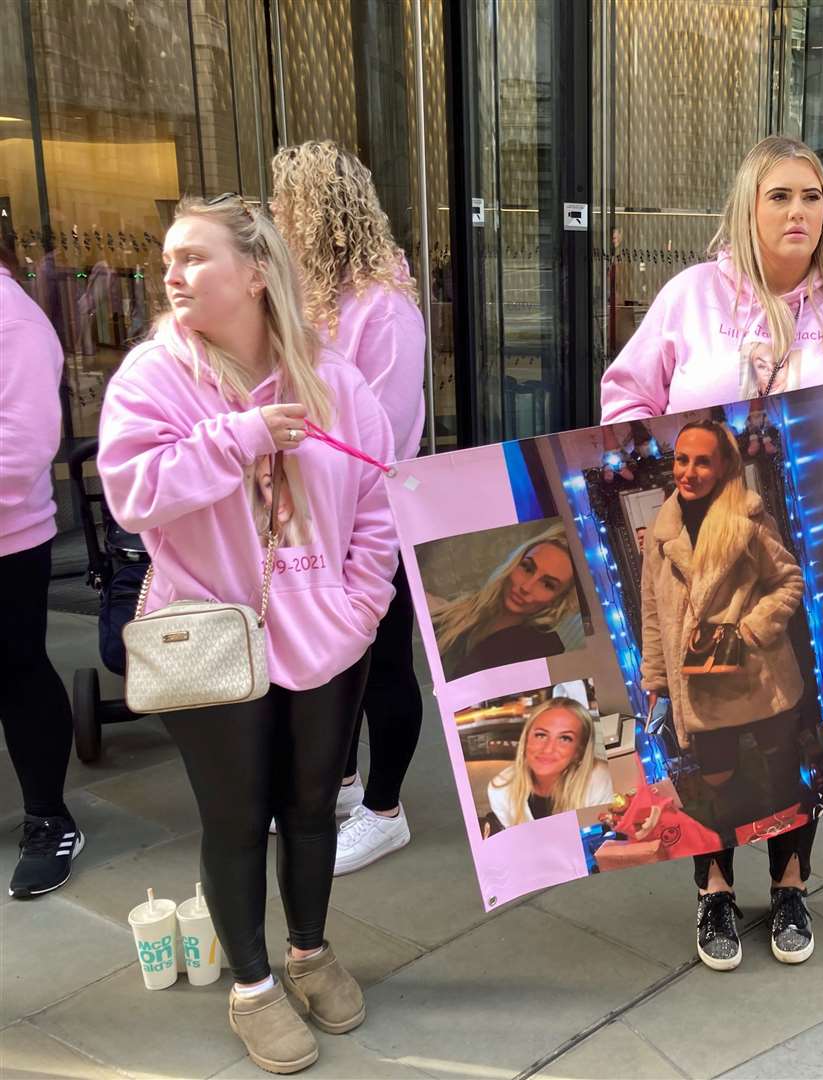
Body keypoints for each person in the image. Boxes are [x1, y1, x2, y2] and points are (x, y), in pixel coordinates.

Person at [600, 134, 823, 970]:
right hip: (697, 588)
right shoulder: (691, 298)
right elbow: (625, 397)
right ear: (748, 208)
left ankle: (790, 886)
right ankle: (712, 892)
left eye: (812, 197)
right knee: (709, 747)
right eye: (780, 196)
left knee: (791, 733)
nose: (798, 213)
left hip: (793, 547)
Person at [98, 195, 397, 1074]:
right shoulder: (155, 377)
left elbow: (379, 502)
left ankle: (308, 949)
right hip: (209, 635)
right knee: (235, 817)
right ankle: (253, 987)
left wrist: (361, 605)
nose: (172, 273)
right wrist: (236, 438)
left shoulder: (334, 380)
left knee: (312, 808)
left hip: (329, 635)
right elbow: (132, 494)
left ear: (257, 271)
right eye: (169, 260)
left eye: (194, 257)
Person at [270, 140, 426, 875]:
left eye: (284, 205)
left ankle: (385, 810)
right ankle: (343, 784)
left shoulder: (384, 309)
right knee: (334, 663)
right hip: (310, 518)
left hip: (371, 522)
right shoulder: (311, 299)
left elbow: (384, 437)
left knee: (384, 663)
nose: (275, 216)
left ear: (319, 215)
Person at [640, 419, 809, 968]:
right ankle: (714, 894)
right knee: (711, 794)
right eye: (681, 459)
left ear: (725, 466)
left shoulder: (749, 517)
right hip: (698, 693)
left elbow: (789, 581)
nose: (688, 472)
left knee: (782, 788)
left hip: (759, 682)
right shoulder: (661, 531)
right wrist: (655, 682)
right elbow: (650, 614)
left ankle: (789, 890)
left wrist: (752, 631)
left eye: (702, 461)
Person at [0, 233, 85, 899]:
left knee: (17, 671)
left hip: (9, 539)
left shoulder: (18, 321)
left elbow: (24, 447)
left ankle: (48, 818)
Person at [429, 523, 580, 680]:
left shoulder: (543, 648)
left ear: (558, 599)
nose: (526, 587)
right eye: (527, 568)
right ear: (514, 564)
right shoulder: (467, 607)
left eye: (548, 584)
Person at [486, 697, 614, 829]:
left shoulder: (602, 783)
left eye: (565, 738)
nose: (548, 749)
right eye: (541, 735)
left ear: (579, 751)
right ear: (526, 739)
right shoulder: (500, 789)